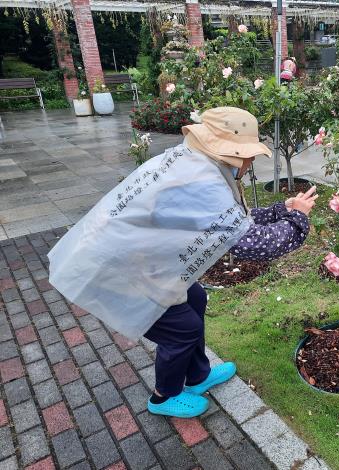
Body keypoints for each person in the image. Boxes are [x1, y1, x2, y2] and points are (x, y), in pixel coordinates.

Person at [49, 107, 318, 419]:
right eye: (248, 155)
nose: (250, 161)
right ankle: (164, 396)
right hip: (121, 265)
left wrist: (281, 210)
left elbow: (226, 223)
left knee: (195, 298)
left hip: (144, 256)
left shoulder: (195, 164)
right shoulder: (201, 181)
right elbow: (250, 243)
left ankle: (198, 375)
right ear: (231, 154)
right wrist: (298, 219)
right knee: (180, 330)